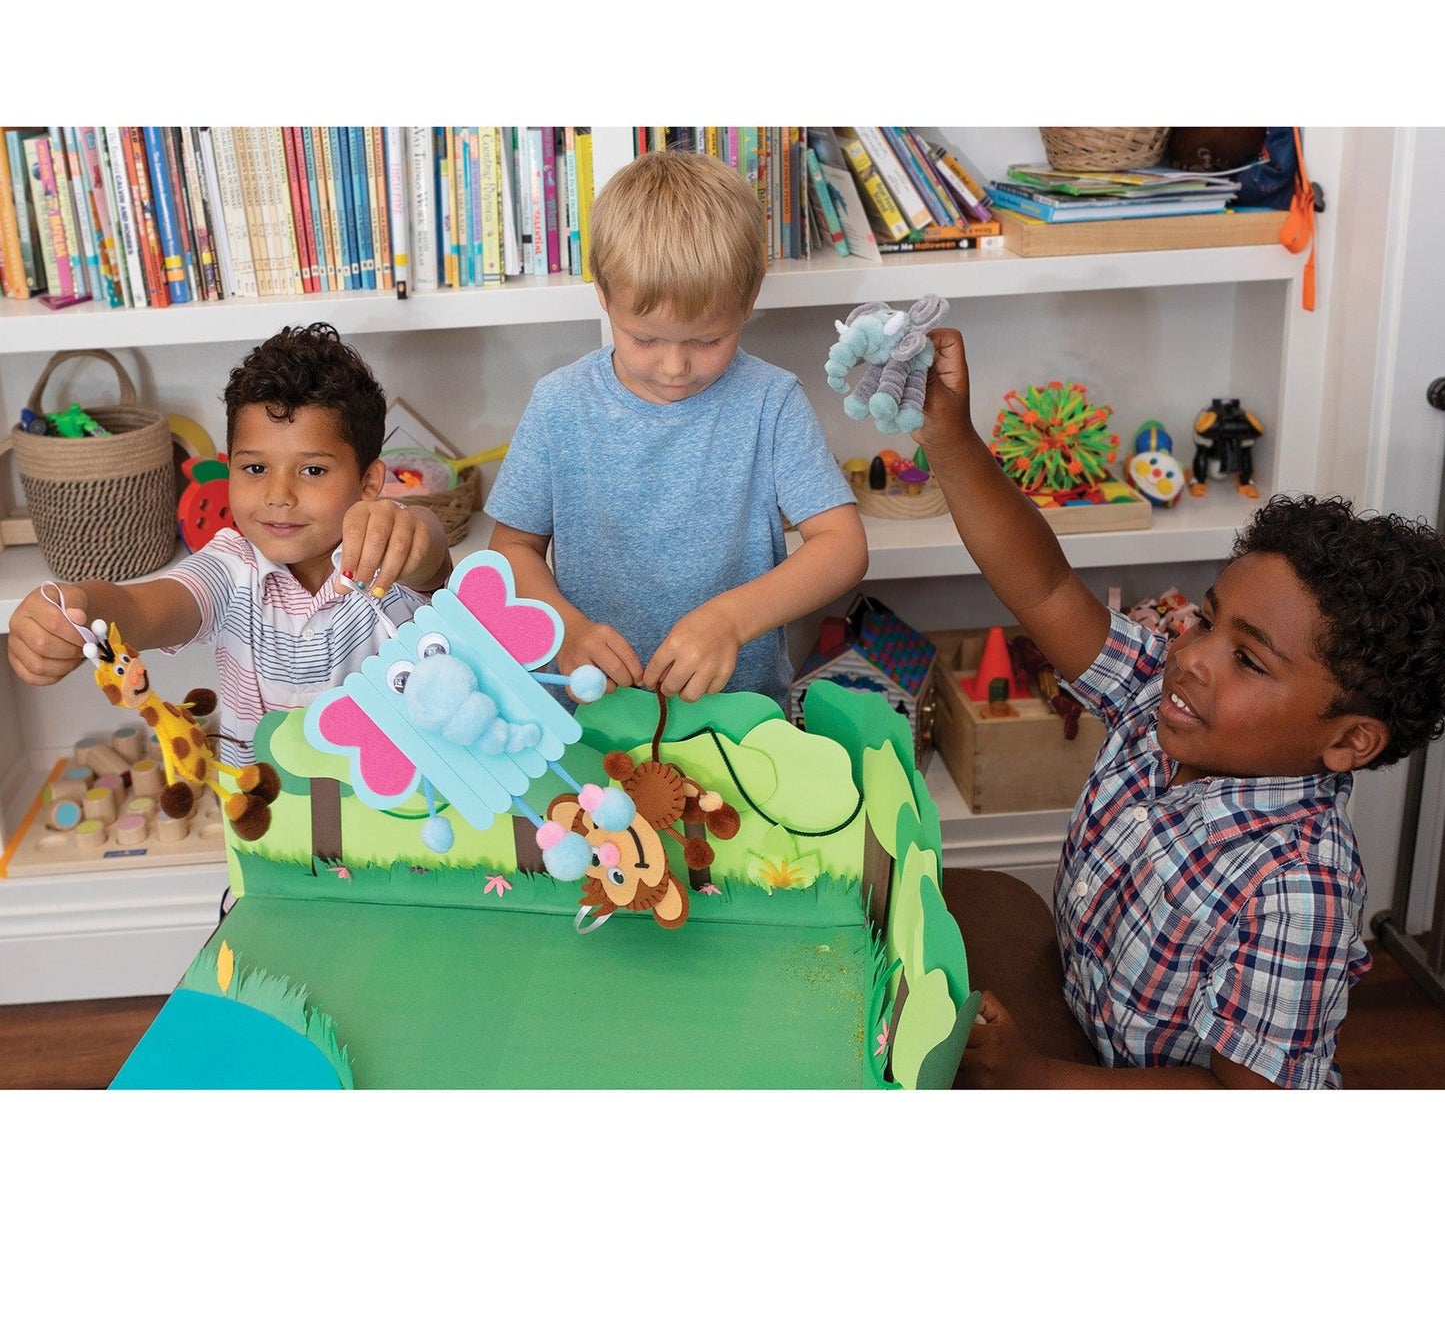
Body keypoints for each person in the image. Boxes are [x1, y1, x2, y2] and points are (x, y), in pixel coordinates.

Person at [915, 327, 1445, 1089]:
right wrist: (950, 439)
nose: (1192, 654)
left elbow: (1236, 1101)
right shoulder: (1156, 696)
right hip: (1078, 1021)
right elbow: (1044, 587)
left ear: (1348, 740)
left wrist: (1035, 1075)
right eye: (1207, 618)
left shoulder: (1299, 889)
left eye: (1248, 659)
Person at [485, 150, 868, 706]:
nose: (674, 367)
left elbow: (842, 547)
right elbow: (512, 548)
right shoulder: (559, 404)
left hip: (738, 714)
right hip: (591, 713)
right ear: (603, 295)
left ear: (749, 300)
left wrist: (731, 620)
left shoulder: (771, 402)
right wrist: (567, 630)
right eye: (643, 338)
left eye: (707, 340)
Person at [7, 322, 454, 768]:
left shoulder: (386, 550)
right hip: (260, 808)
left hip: (405, 807)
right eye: (255, 469)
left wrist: (408, 527)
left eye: (312, 470)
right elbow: (141, 608)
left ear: (369, 482)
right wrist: (76, 605)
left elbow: (429, 556)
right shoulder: (229, 568)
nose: (279, 495)